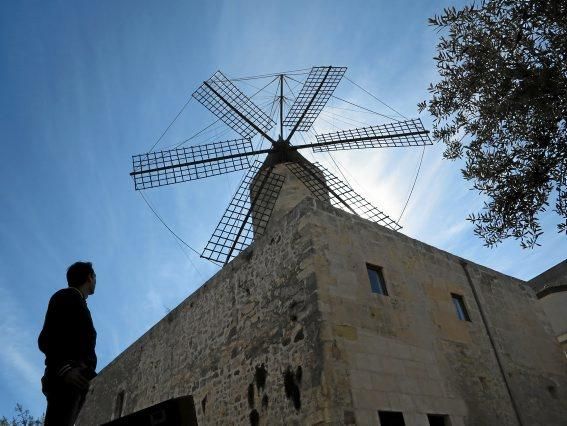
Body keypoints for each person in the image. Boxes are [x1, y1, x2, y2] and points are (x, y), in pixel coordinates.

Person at [38, 261, 98, 426]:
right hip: (67, 380)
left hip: (79, 382)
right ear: (89, 277)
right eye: (94, 277)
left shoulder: (79, 302)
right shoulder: (66, 297)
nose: (96, 281)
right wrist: (64, 370)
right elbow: (46, 339)